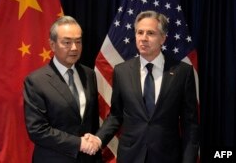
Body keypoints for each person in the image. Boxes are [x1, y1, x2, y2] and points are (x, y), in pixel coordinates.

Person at [85, 10, 199, 163]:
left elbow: (189, 124)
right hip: (131, 156)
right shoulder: (121, 71)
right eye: (140, 32)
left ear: (163, 38)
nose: (143, 38)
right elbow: (116, 115)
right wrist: (99, 139)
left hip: (167, 156)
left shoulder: (182, 72)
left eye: (150, 33)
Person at [23, 16, 102, 163]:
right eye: (67, 42)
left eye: (78, 42)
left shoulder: (89, 74)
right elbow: (37, 130)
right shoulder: (36, 81)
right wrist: (78, 143)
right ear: (52, 45)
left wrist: (93, 141)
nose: (74, 48)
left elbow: (91, 121)